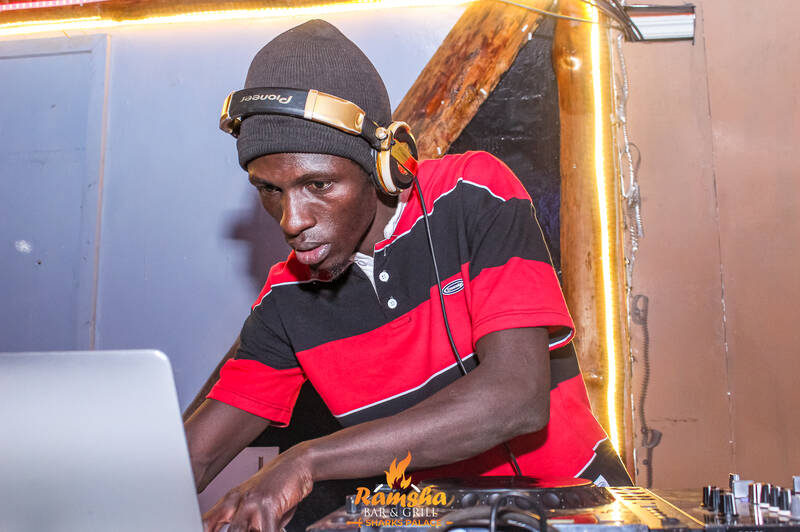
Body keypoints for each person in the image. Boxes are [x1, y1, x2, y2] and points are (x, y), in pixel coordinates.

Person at [184, 19, 631, 532]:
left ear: (384, 164)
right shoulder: (287, 298)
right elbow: (195, 457)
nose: (292, 220)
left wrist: (307, 460)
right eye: (270, 189)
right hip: (428, 519)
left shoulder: (472, 195)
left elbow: (516, 396)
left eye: (318, 184)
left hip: (574, 508)